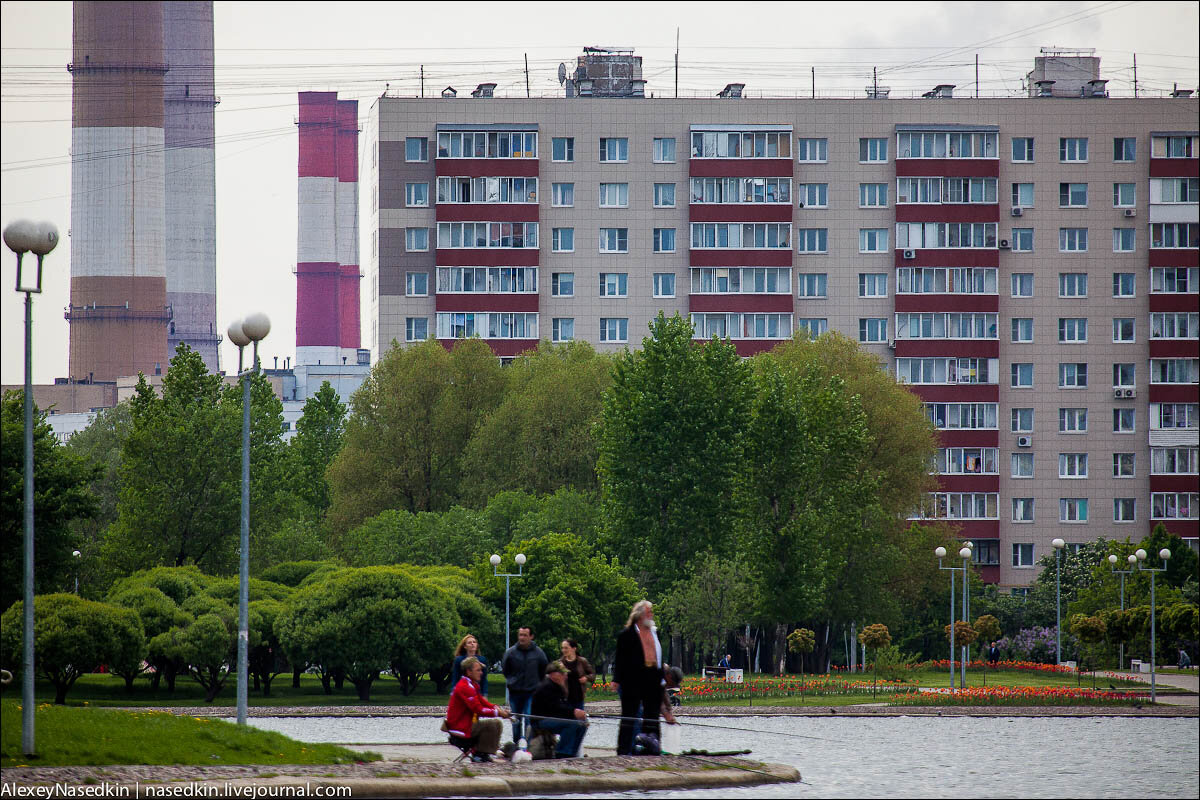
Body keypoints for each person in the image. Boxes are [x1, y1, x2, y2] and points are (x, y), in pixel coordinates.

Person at [612, 600, 675, 755]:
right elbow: (620, 659)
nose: (651, 614)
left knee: (652, 715)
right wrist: (616, 679)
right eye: (649, 612)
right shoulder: (627, 635)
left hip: (652, 677)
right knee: (629, 716)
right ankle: (623, 751)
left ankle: (652, 751)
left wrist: (661, 678)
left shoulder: (654, 632)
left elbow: (659, 657)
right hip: (632, 679)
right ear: (640, 615)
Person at [444, 656, 511, 762]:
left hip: (464, 725)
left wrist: (498, 709)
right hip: (460, 729)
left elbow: (483, 702)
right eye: (478, 670)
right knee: (495, 724)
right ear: (468, 672)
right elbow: (478, 709)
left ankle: (481, 753)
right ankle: (480, 754)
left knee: (494, 724)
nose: (481, 673)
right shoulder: (465, 687)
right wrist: (498, 713)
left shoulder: (472, 685)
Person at [530, 660, 589, 758]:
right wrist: (573, 712)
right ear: (554, 674)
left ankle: (572, 752)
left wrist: (575, 712)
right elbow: (554, 708)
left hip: (550, 717)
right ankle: (562, 753)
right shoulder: (546, 687)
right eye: (563, 673)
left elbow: (562, 706)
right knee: (572, 724)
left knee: (582, 724)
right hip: (540, 720)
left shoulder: (556, 686)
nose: (565, 676)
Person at [501, 626, 548, 743]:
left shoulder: (538, 653)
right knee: (516, 720)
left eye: (525, 635)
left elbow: (544, 669)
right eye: (520, 635)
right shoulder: (511, 652)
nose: (522, 638)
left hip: (531, 692)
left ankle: (529, 743)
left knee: (529, 719)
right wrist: (512, 680)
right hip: (515, 692)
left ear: (531, 636)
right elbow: (505, 669)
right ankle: (516, 744)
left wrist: (538, 684)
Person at [559, 638, 595, 712]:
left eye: (566, 648)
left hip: (578, 697)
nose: (563, 650)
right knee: (568, 721)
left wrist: (586, 678)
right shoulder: (560, 663)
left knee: (580, 721)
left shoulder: (582, 661)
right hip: (565, 698)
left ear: (574, 649)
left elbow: (592, 674)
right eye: (562, 648)